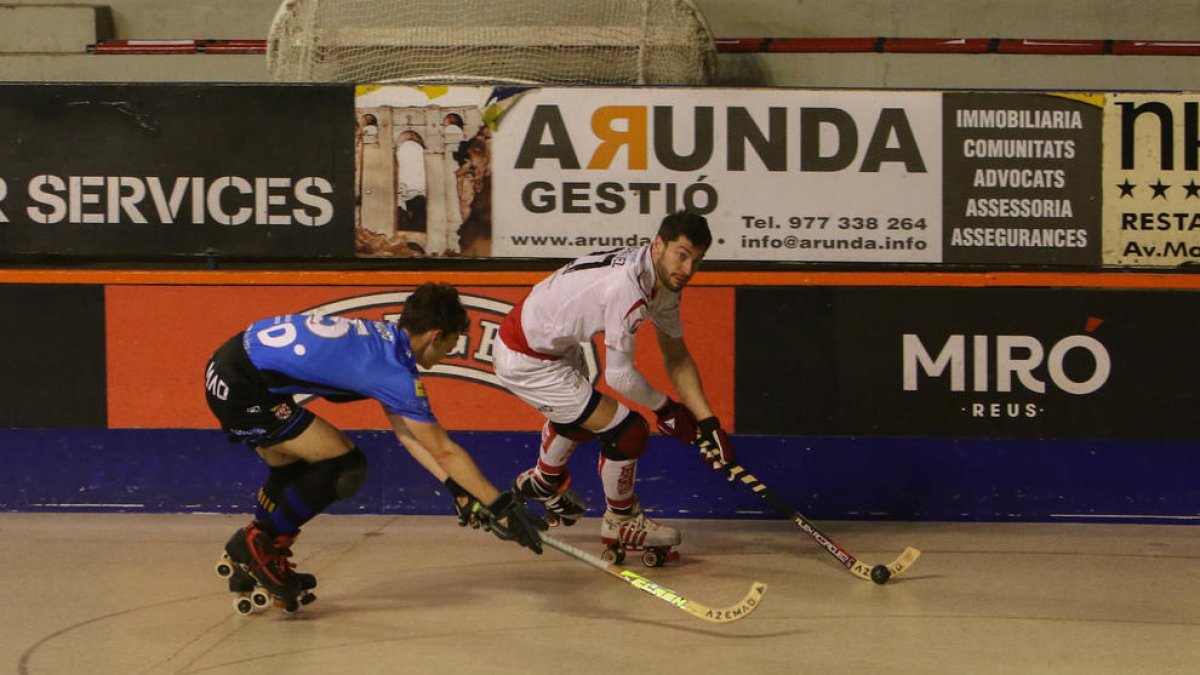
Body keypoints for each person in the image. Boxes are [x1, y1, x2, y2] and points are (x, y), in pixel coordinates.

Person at [204, 282, 546, 612]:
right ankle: (259, 547)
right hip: (242, 386)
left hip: (230, 364)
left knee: (294, 465)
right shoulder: (393, 373)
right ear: (435, 336)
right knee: (344, 466)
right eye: (451, 344)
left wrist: (458, 488)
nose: (448, 353)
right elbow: (444, 450)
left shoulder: (383, 342)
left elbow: (409, 436)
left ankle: (259, 546)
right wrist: (501, 506)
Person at [493, 211, 736, 565]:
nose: (687, 269)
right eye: (681, 255)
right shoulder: (629, 287)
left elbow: (677, 357)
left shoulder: (662, 282)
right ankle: (621, 520)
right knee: (629, 432)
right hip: (526, 356)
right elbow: (619, 377)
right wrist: (666, 410)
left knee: (585, 418)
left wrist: (708, 421)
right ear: (658, 245)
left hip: (553, 342)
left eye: (696, 261)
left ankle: (544, 482)